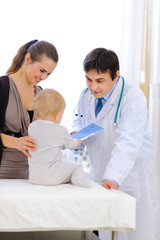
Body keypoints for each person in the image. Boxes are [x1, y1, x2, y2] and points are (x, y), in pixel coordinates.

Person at [71, 48, 160, 240]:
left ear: (116, 75)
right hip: (101, 173)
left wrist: (113, 176)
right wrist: (75, 134)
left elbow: (127, 142)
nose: (93, 86)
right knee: (108, 232)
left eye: (99, 80)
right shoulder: (86, 94)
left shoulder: (132, 98)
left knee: (138, 233)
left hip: (130, 177)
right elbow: (79, 118)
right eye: (88, 79)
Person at [0, 40, 58, 179]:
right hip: (3, 171)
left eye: (49, 74)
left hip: (33, 174)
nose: (43, 78)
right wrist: (16, 142)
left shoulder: (41, 94)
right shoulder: (3, 87)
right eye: (42, 70)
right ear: (27, 58)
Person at [28, 88, 91, 187]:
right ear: (57, 116)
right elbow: (71, 144)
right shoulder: (61, 130)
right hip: (51, 177)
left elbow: (44, 141)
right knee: (76, 168)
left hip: (34, 177)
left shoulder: (32, 127)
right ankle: (79, 181)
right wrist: (77, 141)